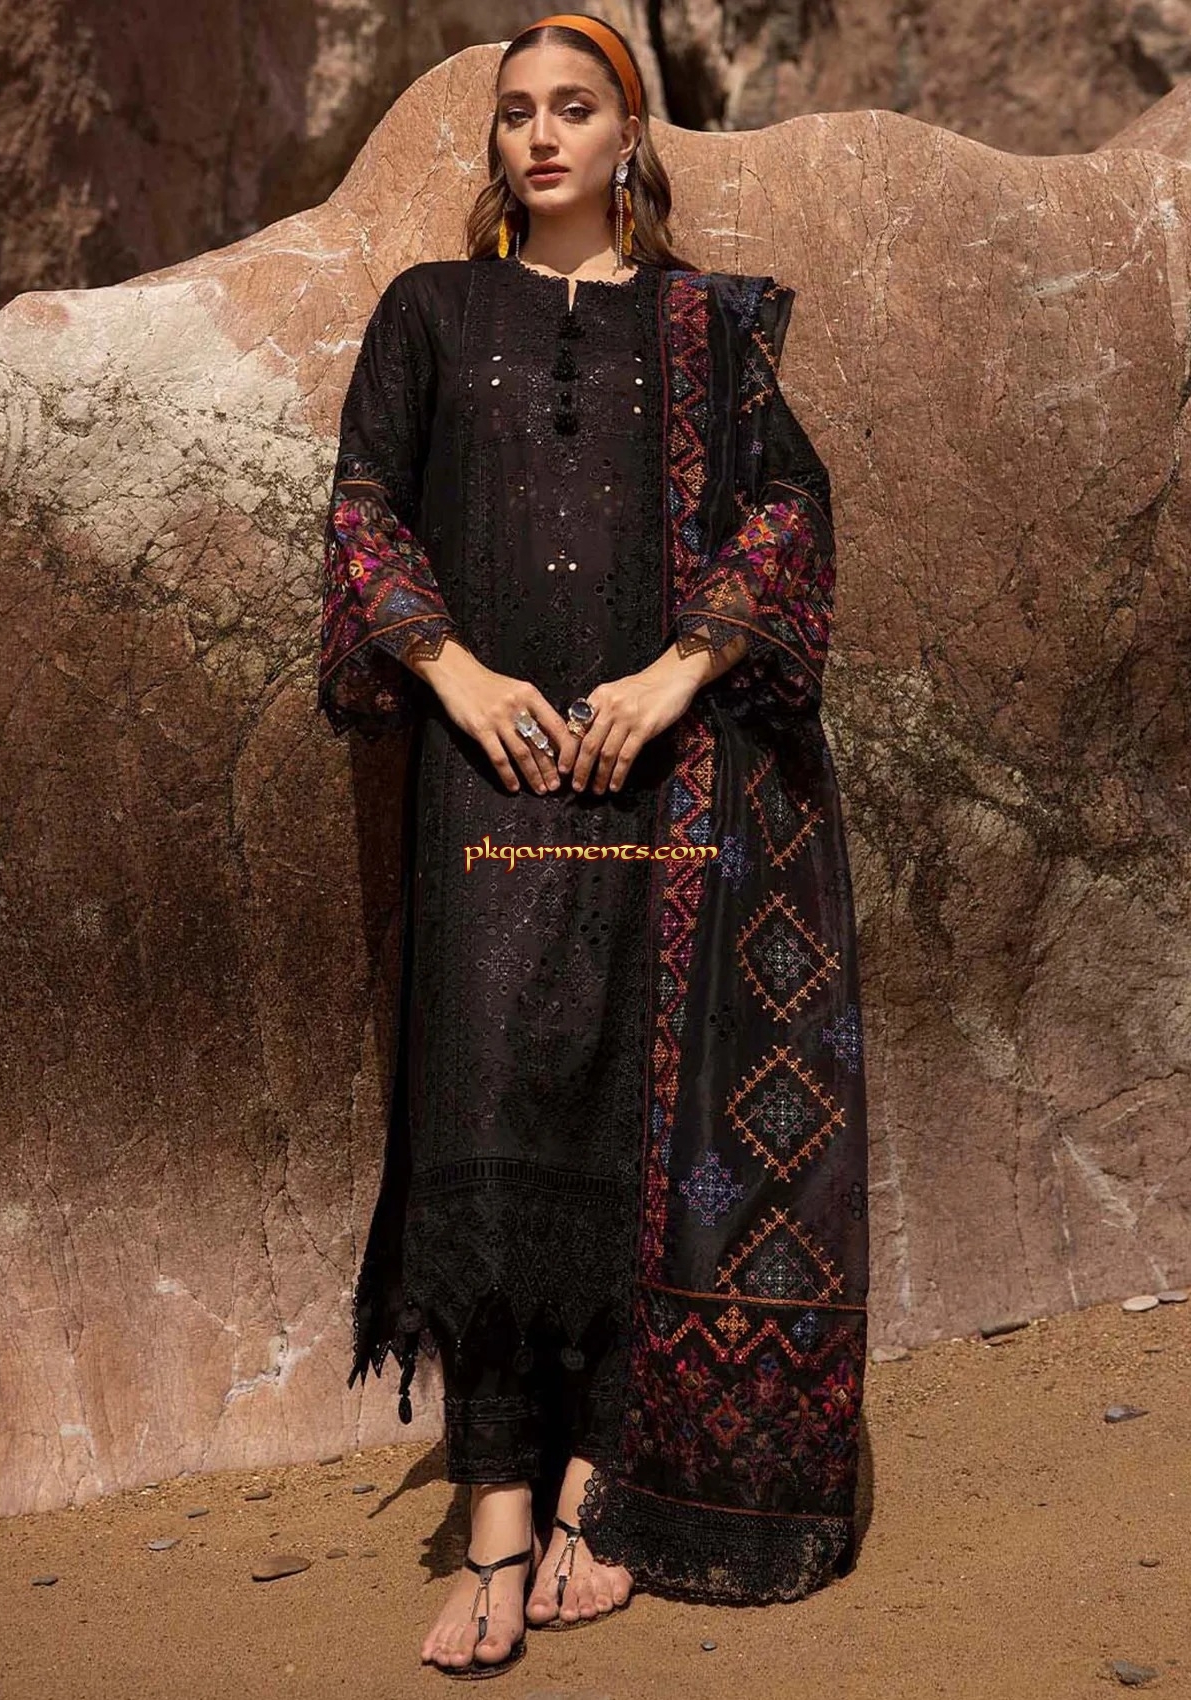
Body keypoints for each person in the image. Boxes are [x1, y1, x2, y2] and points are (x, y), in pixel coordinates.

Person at [318, 11, 869, 1681]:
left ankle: (596, 1488)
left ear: (632, 138)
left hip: (663, 776)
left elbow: (790, 517)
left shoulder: (703, 328)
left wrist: (675, 674)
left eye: (576, 108)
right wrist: (460, 676)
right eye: (516, 114)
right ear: (492, 144)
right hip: (488, 769)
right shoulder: (429, 310)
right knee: (485, 1113)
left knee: (647, 1115)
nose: (543, 135)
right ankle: (495, 1500)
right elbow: (363, 514)